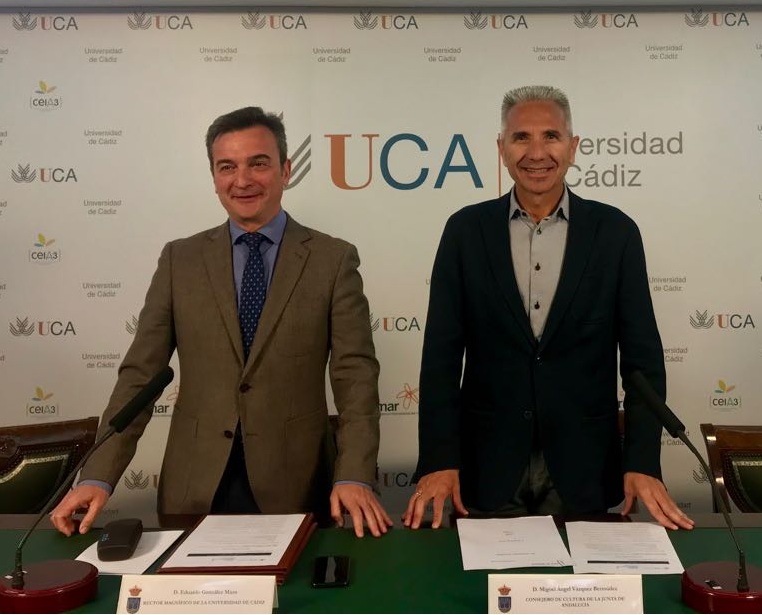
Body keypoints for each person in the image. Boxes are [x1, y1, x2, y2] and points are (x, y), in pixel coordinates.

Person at [51, 106, 392, 538]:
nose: (242, 180)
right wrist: (98, 477)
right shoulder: (179, 259)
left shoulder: (333, 259)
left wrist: (355, 474)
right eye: (227, 166)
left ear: (286, 170)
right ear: (214, 177)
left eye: (258, 163)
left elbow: (355, 376)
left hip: (299, 486)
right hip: (194, 487)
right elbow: (140, 376)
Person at [402, 85, 694, 531]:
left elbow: (643, 364)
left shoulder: (615, 233)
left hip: (585, 470)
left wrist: (641, 461)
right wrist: (440, 459)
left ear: (573, 147)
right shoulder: (464, 231)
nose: (536, 153)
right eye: (521, 137)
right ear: (501, 148)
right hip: (487, 469)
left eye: (551, 136)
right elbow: (440, 361)